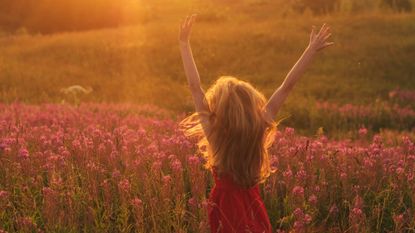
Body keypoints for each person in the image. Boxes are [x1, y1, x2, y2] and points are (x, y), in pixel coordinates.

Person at [179, 14, 333, 233]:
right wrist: (310, 51)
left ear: (221, 110)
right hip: (252, 204)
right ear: (250, 108)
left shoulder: (215, 135)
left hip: (224, 206)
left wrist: (184, 44)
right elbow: (286, 86)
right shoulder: (258, 127)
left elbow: (195, 87)